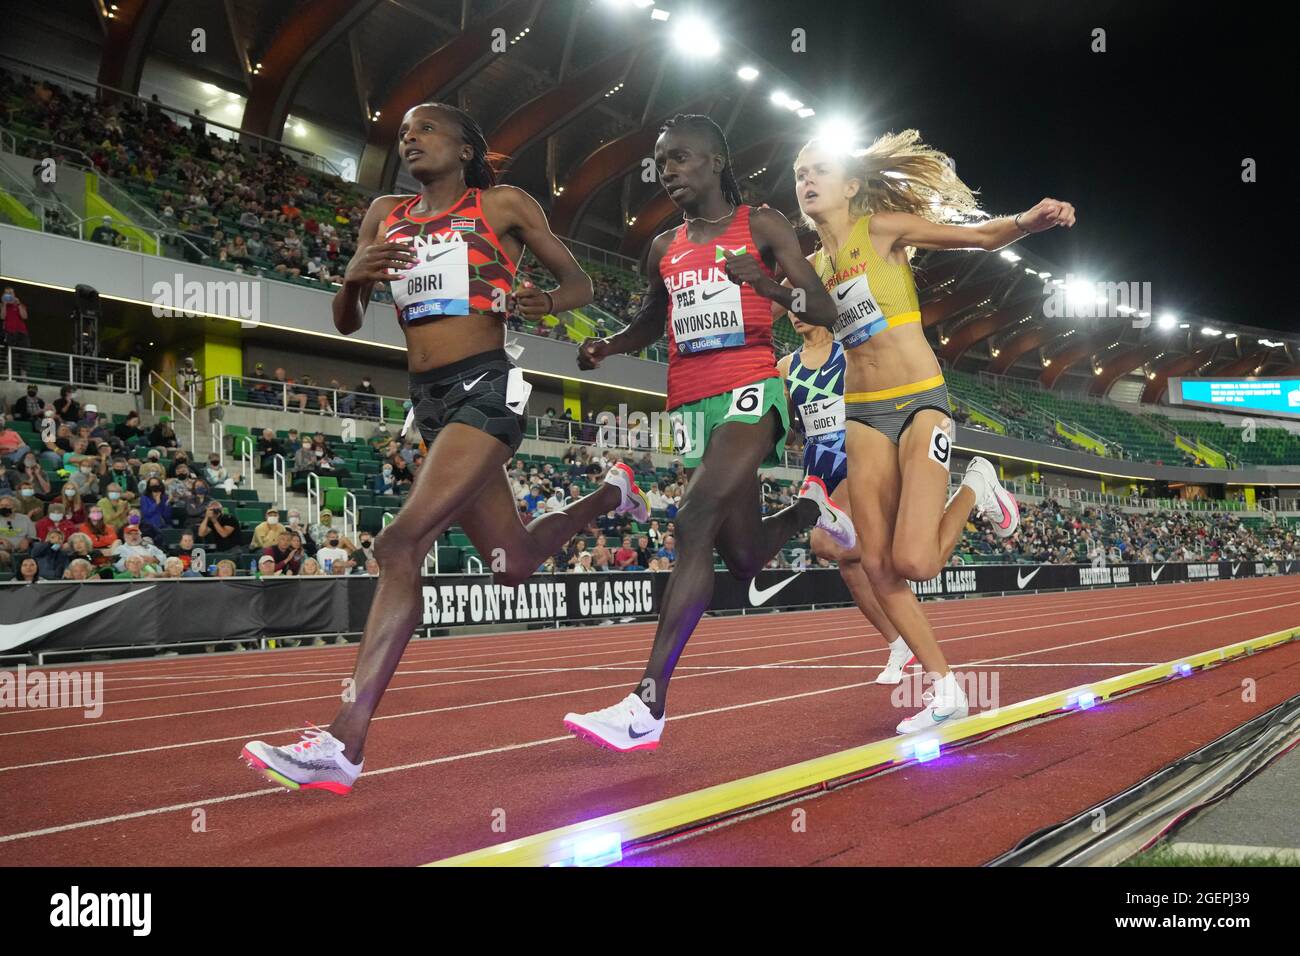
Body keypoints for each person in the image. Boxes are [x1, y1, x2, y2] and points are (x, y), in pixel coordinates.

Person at [243, 100, 643, 794]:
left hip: (490, 388)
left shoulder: (504, 204)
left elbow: (577, 283)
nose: (410, 138)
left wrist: (537, 306)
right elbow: (345, 323)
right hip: (428, 404)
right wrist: (353, 275)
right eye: (404, 132)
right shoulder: (384, 214)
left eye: (426, 128)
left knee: (398, 545)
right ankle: (613, 493)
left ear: (464, 148)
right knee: (511, 564)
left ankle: (345, 741)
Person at [563, 114, 851, 752]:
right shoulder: (663, 248)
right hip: (690, 405)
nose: (668, 171)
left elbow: (824, 310)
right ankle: (811, 507)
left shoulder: (763, 226)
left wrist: (764, 283)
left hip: (752, 389)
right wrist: (607, 347)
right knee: (745, 556)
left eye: (681, 159)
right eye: (663, 162)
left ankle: (647, 705)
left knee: (692, 521)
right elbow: (650, 321)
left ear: (717, 163)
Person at [781, 131, 1072, 731]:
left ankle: (977, 486)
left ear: (852, 184)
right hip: (861, 413)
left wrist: (1027, 222)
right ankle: (946, 689)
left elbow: (980, 237)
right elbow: (789, 320)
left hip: (919, 403)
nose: (807, 180)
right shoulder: (812, 270)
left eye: (820, 170)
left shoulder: (882, 230)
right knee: (877, 565)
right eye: (799, 172)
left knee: (917, 562)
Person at [777, 314, 914, 684]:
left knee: (824, 541)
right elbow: (787, 426)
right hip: (818, 464)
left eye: (802, 305)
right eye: (789, 309)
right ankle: (899, 641)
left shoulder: (848, 352)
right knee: (850, 563)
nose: (794, 314)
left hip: (858, 455)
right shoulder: (785, 366)